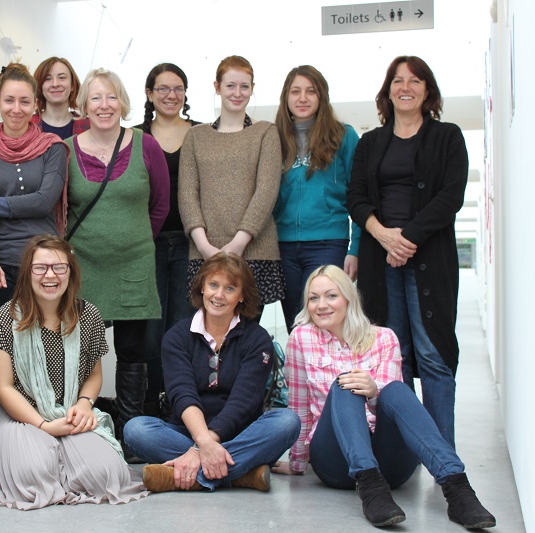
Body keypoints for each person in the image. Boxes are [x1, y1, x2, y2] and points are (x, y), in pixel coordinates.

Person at [273, 265, 495, 529]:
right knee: (345, 385)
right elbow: (299, 406)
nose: (321, 305)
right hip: (335, 461)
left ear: (348, 298)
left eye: (331, 295)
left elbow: (394, 404)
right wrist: (297, 462)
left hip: (389, 462)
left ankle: (458, 488)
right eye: (313, 298)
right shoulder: (301, 338)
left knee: (396, 389)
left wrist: (373, 391)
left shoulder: (384, 338)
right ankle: (371, 490)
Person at [347, 56, 468, 448]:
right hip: (380, 261)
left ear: (427, 90)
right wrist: (384, 236)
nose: (406, 87)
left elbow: (451, 196)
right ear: (388, 91)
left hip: (430, 259)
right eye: (398, 81)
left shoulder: (447, 137)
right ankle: (401, 452)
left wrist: (406, 239)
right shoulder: (370, 142)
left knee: (433, 355)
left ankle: (443, 459)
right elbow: (356, 197)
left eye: (415, 80)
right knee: (390, 356)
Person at [0, 235, 148, 509]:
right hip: (17, 415)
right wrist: (44, 426)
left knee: (108, 475)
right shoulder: (3, 318)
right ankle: (54, 463)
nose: (50, 275)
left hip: (69, 410)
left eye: (59, 267)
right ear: (27, 273)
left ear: (71, 272)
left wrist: (84, 404)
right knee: (31, 477)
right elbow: (3, 387)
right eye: (40, 267)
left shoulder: (89, 315)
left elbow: (93, 375)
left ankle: (63, 465)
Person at [124, 253, 301, 492]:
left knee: (287, 421)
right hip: (187, 433)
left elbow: (244, 402)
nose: (219, 295)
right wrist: (202, 442)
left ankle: (193, 474)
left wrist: (200, 450)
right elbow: (182, 394)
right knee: (135, 429)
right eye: (213, 285)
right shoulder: (177, 337)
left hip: (241, 434)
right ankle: (241, 474)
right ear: (202, 288)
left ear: (242, 296)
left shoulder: (257, 339)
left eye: (230, 288)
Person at [66, 68, 169, 433]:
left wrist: (135, 239)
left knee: (132, 351)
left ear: (122, 103)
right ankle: (80, 425)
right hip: (84, 266)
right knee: (80, 351)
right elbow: (61, 209)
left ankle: (130, 430)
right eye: (96, 97)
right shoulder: (66, 151)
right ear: (84, 106)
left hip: (133, 265)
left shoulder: (146, 145)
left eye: (111, 97)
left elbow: (160, 205)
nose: (104, 105)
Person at [179, 55, 285, 318]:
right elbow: (187, 193)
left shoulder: (266, 132)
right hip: (205, 252)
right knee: (208, 333)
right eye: (230, 85)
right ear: (217, 87)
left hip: (254, 251)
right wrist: (205, 247)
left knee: (247, 333)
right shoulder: (195, 136)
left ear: (252, 89)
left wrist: (239, 243)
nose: (237, 93)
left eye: (244, 86)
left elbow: (266, 191)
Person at [0, 63, 69, 327]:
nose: (16, 108)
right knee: (1, 345)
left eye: (24, 101)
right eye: (9, 100)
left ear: (35, 104)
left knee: (45, 342)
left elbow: (44, 202)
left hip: (44, 264)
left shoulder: (53, 148)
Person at [134, 63, 200, 417]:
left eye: (178, 88)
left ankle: (179, 406)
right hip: (148, 244)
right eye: (163, 88)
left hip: (193, 242)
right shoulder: (134, 137)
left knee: (183, 327)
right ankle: (148, 408)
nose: (171, 95)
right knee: (149, 331)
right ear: (149, 93)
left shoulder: (203, 133)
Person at [273, 65, 360, 332]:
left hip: (328, 243)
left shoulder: (343, 136)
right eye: (295, 91)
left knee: (325, 322)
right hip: (283, 246)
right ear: (286, 97)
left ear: (322, 96)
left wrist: (355, 249)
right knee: (297, 326)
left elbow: (360, 195)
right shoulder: (273, 138)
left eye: (311, 91)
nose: (303, 98)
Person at [31, 57, 90, 139]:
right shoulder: (27, 125)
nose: (55, 84)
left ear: (72, 85)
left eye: (62, 77)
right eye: (48, 78)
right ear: (40, 86)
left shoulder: (88, 126)